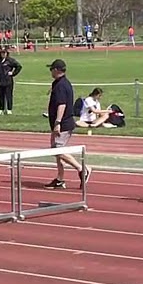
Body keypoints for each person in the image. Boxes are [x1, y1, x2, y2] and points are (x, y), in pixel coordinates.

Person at [43, 59, 90, 189]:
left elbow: (62, 104)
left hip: (63, 123)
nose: (50, 71)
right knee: (56, 150)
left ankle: (82, 169)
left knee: (58, 149)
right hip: (58, 122)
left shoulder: (61, 85)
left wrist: (58, 122)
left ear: (56, 70)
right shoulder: (58, 84)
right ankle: (60, 178)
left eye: (51, 69)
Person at [0, 46, 23, 115]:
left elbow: (19, 66)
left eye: (4, 53)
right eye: (2, 53)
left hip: (8, 81)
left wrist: (13, 73)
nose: (3, 54)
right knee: (1, 95)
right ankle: (1, 109)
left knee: (8, 95)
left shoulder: (10, 60)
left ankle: (9, 109)